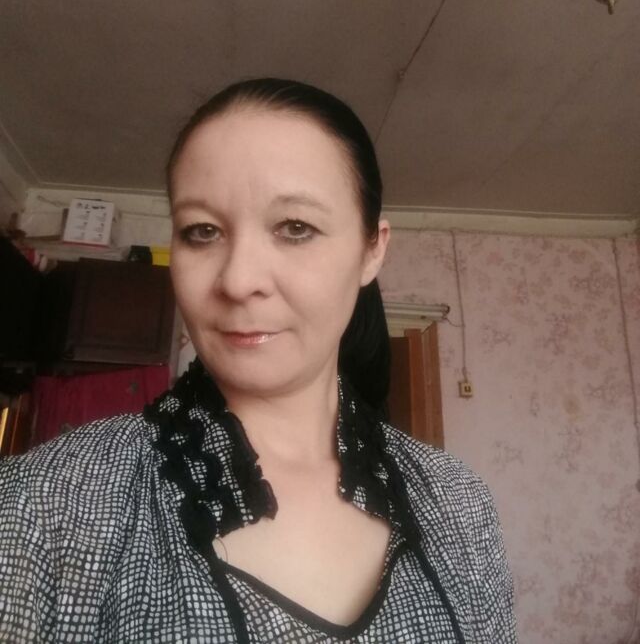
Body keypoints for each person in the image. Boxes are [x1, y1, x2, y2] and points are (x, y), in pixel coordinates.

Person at [0, 77, 517, 643]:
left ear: (373, 249)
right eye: (202, 231)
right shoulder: (48, 501)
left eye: (295, 228)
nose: (239, 280)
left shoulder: (459, 506)